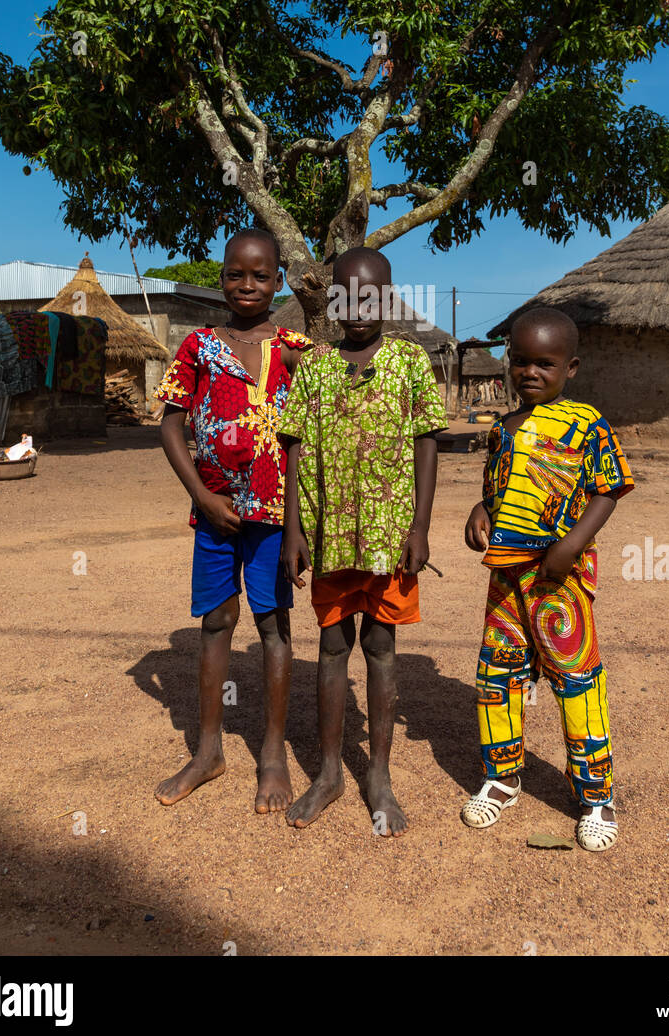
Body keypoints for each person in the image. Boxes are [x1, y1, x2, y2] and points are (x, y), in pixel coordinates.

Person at [279, 247, 447, 835]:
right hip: (328, 539)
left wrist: (420, 526)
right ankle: (327, 773)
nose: (360, 306)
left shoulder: (409, 362)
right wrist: (293, 531)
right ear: (333, 299)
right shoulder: (317, 367)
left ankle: (378, 773)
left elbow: (428, 442)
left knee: (380, 646)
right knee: (330, 649)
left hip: (388, 537)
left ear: (389, 297)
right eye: (348, 295)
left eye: (372, 294)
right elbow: (293, 446)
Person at [461, 306, 633, 851]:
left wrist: (572, 545)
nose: (530, 373)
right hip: (506, 578)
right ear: (508, 362)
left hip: (562, 577)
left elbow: (609, 489)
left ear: (571, 368)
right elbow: (498, 488)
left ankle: (595, 795)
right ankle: (502, 777)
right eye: (521, 362)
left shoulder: (589, 424)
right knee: (497, 674)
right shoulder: (500, 429)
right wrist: (480, 510)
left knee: (576, 679)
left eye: (546, 364)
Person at [153, 228, 311, 813]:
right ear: (220, 278)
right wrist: (200, 495)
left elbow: (313, 428)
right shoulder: (197, 345)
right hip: (215, 513)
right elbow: (171, 425)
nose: (247, 286)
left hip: (275, 517)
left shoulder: (294, 348)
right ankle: (208, 750)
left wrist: (301, 524)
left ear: (279, 281)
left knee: (272, 625)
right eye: (235, 275)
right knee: (217, 621)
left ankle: (271, 754)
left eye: (261, 276)